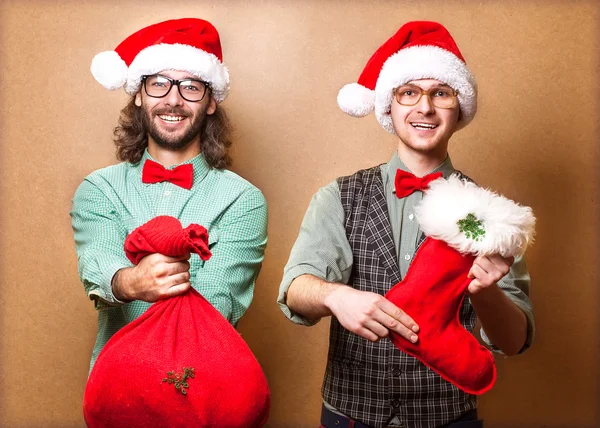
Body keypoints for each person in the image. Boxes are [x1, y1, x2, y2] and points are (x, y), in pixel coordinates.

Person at [277, 21, 534, 428]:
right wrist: (335, 297)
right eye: (409, 92)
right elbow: (295, 289)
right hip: (349, 415)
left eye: (441, 93)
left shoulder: (490, 215)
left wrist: (485, 293)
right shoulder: (338, 196)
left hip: (449, 418)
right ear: (389, 105)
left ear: (459, 107)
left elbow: (515, 340)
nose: (425, 107)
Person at [71, 18, 267, 371]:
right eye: (159, 84)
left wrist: (155, 282)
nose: (173, 100)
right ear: (138, 95)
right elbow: (96, 262)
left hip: (203, 386)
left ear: (210, 102)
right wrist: (128, 281)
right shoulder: (98, 189)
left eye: (191, 86)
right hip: (115, 384)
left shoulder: (244, 199)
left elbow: (219, 304)